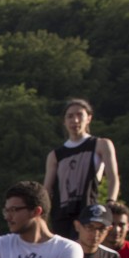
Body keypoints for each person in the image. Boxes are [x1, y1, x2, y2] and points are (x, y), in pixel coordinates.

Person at [43, 98, 120, 241]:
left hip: (88, 213)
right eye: (70, 116)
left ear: (89, 118)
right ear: (64, 121)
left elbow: (113, 177)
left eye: (80, 115)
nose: (75, 120)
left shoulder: (100, 145)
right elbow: (47, 189)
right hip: (61, 216)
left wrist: (111, 202)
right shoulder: (55, 155)